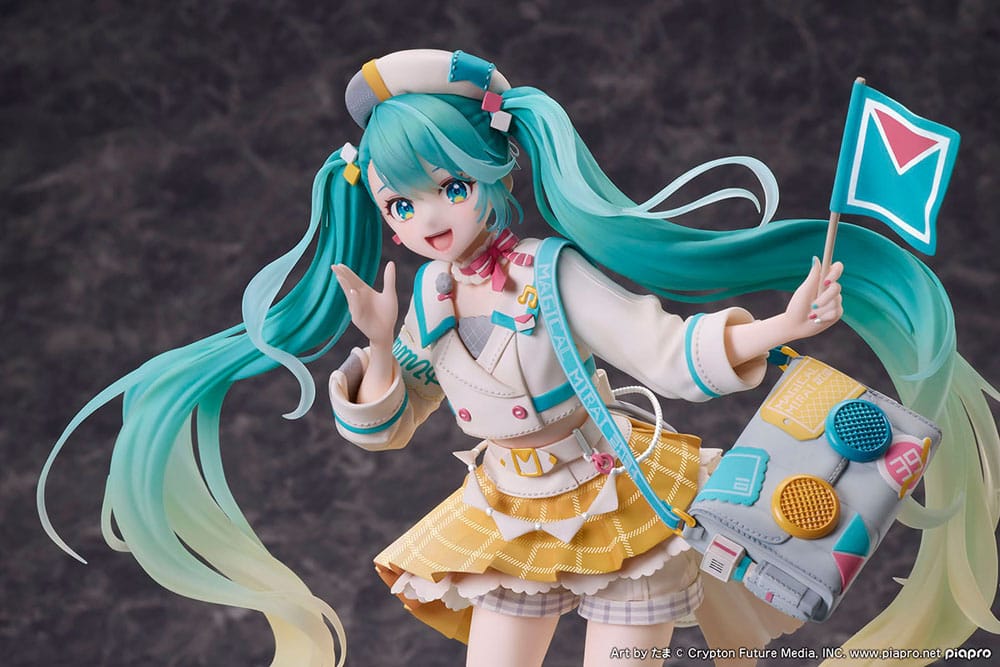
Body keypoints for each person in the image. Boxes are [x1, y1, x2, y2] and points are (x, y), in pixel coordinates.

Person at [39, 49, 999, 667]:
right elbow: (390, 423)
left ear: (493, 172)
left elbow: (664, 350)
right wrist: (376, 342)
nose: (426, 219)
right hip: (506, 509)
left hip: (613, 496)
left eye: (448, 188)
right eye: (400, 205)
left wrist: (778, 326)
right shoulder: (426, 296)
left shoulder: (550, 268)